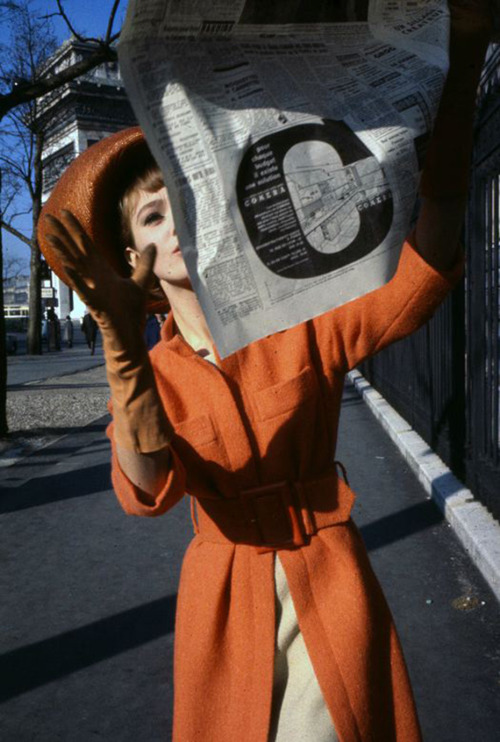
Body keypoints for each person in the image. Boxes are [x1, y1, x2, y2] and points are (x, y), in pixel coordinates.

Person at [38, 4, 492, 740]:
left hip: (330, 583)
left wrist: (465, 59)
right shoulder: (149, 368)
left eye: (181, 201)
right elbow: (148, 489)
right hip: (223, 604)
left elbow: (425, 270)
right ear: (130, 260)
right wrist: (122, 351)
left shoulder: (297, 318)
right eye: (152, 217)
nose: (174, 224)